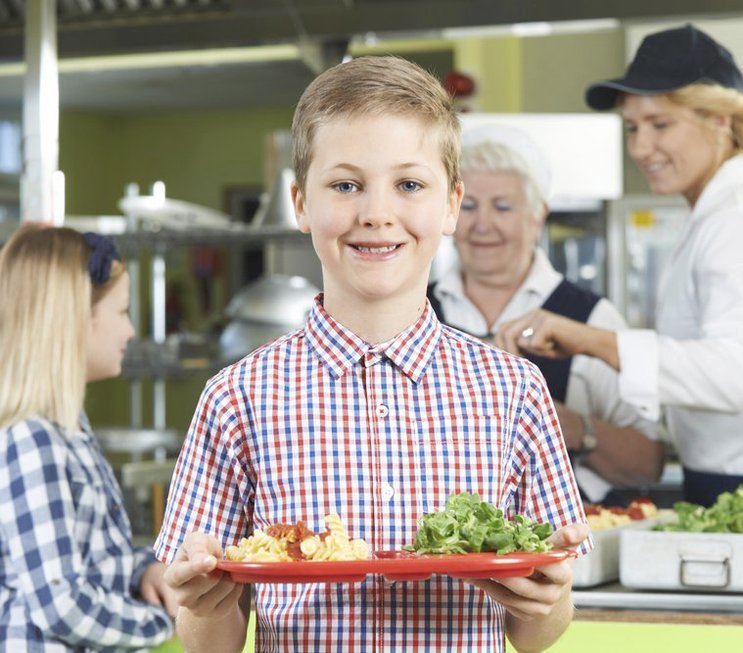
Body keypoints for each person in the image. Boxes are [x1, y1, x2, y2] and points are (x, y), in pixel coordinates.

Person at [154, 56, 590, 653]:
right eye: (345, 184)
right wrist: (203, 604)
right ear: (301, 203)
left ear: (451, 206)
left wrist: (549, 600)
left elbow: (537, 633)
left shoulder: (514, 390)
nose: (376, 213)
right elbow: (211, 641)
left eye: (409, 184)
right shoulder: (237, 397)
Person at [496, 24, 743, 514]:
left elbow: (733, 375)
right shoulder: (717, 213)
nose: (641, 148)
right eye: (632, 128)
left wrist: (588, 340)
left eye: (660, 124)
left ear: (720, 121)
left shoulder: (741, 220)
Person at [427, 123, 665, 505]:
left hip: (565, 544)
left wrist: (576, 428)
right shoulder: (415, 312)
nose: (483, 224)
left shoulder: (591, 319)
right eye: (468, 206)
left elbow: (648, 463)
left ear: (538, 216)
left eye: (502, 206)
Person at [0, 225, 175, 650]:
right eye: (121, 312)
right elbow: (60, 603)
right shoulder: (31, 440)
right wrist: (165, 625)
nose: (130, 331)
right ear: (74, 318)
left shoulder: (68, 429)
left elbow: (95, 558)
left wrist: (143, 572)